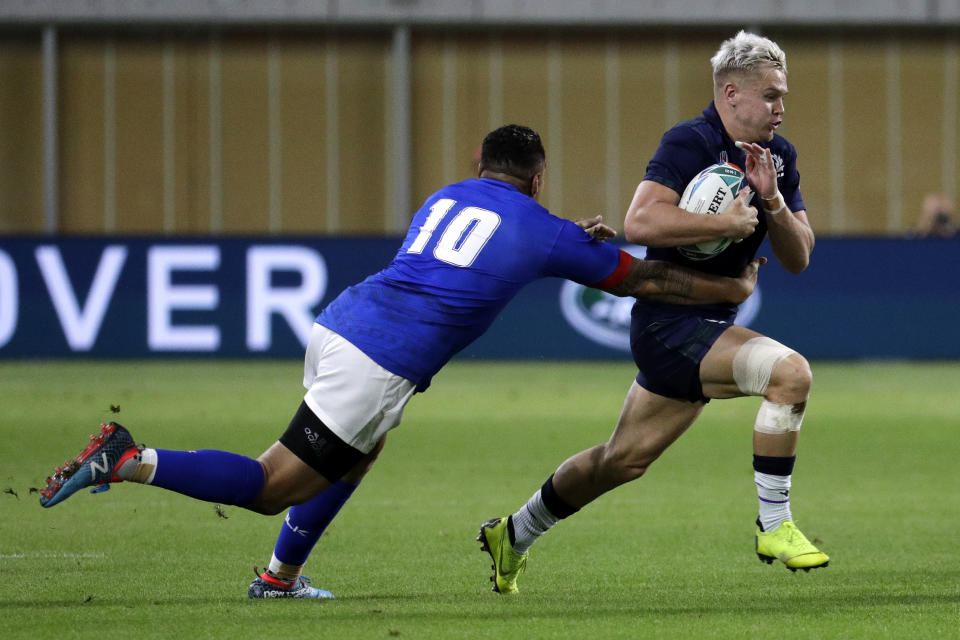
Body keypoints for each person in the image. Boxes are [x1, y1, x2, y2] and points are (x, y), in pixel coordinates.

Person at [39, 124, 763, 599]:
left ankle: (280, 576)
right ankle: (133, 459)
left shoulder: (445, 197)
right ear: (540, 180)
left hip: (340, 323)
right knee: (270, 483)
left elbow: (486, 250)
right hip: (379, 360)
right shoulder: (542, 228)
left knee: (362, 450)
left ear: (479, 166)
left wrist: (565, 236)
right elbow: (645, 278)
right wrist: (728, 283)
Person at [479, 31, 828, 595]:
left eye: (783, 95)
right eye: (770, 96)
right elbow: (640, 222)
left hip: (707, 326)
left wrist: (772, 200)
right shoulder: (689, 143)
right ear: (730, 93)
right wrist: (725, 225)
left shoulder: (780, 158)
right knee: (790, 374)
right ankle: (775, 524)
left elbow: (800, 257)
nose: (780, 107)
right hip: (670, 325)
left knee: (622, 460)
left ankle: (512, 534)